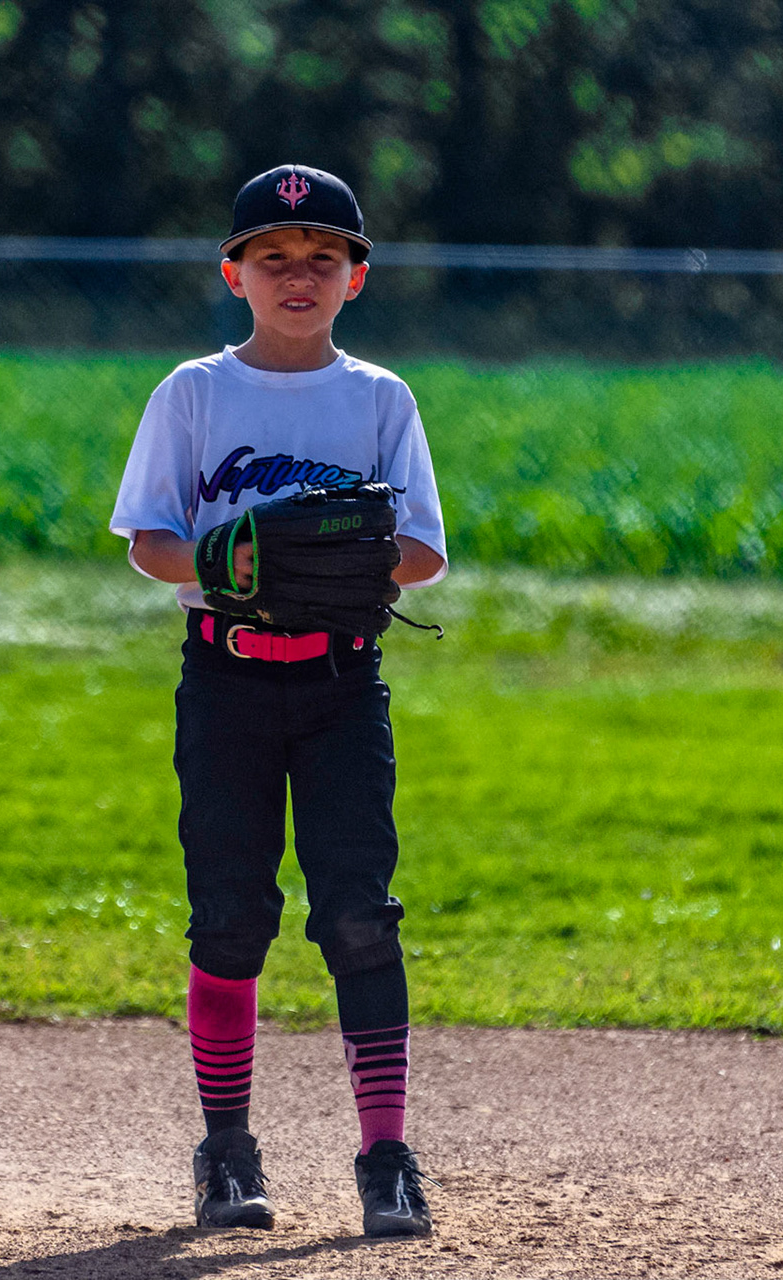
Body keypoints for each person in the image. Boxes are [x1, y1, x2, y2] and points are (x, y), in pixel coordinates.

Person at [108, 163, 447, 1237]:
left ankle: (386, 1159)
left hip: (343, 683)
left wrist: (351, 568)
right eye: (272, 257)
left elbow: (424, 553)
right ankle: (226, 1153)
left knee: (357, 911)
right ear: (234, 273)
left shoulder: (380, 399)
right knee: (232, 913)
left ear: (357, 278)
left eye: (321, 258)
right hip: (227, 678)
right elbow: (149, 541)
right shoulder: (195, 392)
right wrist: (238, 568)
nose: (296, 274)